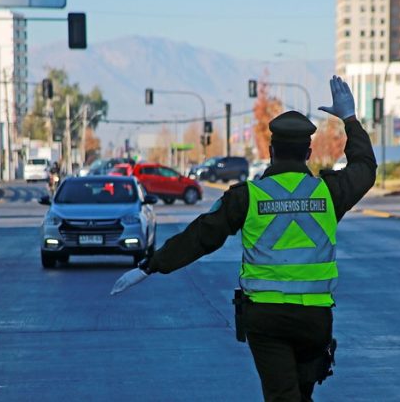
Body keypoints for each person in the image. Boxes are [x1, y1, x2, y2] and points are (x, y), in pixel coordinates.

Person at [111, 76, 377, 401]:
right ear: (308, 152)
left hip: (266, 319)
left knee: (283, 395)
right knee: (300, 394)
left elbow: (201, 236)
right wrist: (350, 119)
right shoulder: (329, 192)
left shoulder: (247, 197)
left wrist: (151, 265)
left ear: (271, 151)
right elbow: (365, 167)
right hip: (314, 318)